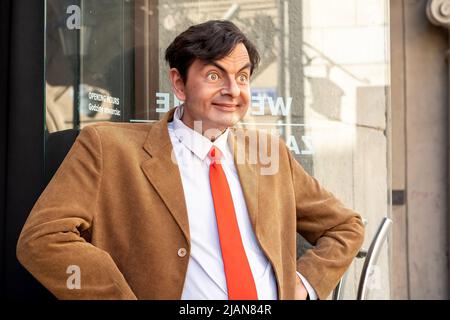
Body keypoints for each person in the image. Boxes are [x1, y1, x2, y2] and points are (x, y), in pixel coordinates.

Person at [17, 20, 364, 300]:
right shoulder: (108, 147)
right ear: (179, 84)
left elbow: (345, 226)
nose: (233, 89)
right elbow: (43, 239)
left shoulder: (268, 153)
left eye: (242, 77)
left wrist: (305, 282)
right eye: (214, 76)